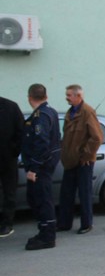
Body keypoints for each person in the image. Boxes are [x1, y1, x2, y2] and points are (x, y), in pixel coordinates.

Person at [57, 84, 103, 234]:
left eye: (69, 95)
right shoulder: (70, 112)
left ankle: (86, 224)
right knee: (66, 194)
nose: (67, 98)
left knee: (84, 193)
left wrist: (86, 155)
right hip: (70, 161)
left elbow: (97, 137)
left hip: (84, 162)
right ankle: (64, 223)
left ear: (78, 96)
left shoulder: (87, 112)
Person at [22, 84, 61, 250]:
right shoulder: (50, 112)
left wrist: (34, 168)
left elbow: (42, 143)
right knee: (36, 198)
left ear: (29, 97)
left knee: (42, 200)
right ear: (46, 96)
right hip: (45, 165)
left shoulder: (41, 116)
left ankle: (47, 237)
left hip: (41, 167)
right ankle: (44, 231)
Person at [0, 96, 24, 238]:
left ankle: (7, 223)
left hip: (7, 158)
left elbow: (21, 132)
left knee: (9, 192)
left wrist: (14, 151)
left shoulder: (10, 107)